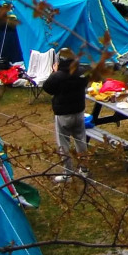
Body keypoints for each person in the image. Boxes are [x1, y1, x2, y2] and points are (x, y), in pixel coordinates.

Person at [42, 48, 90, 181]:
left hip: (63, 114)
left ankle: (68, 173)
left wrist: (55, 71)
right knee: (81, 140)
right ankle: (84, 169)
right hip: (79, 111)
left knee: (63, 144)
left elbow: (48, 88)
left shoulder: (58, 76)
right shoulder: (82, 72)